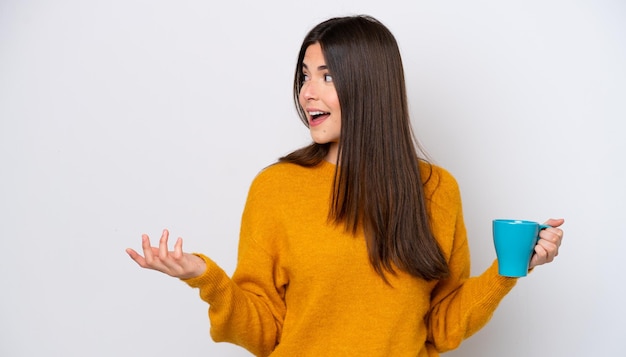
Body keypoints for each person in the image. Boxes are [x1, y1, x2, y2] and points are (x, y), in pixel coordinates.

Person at [126, 15, 564, 357]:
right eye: (304, 75)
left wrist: (511, 269)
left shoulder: (437, 190)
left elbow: (442, 327)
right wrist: (206, 278)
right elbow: (264, 333)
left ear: (369, 86)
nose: (306, 93)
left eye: (326, 76)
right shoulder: (276, 188)